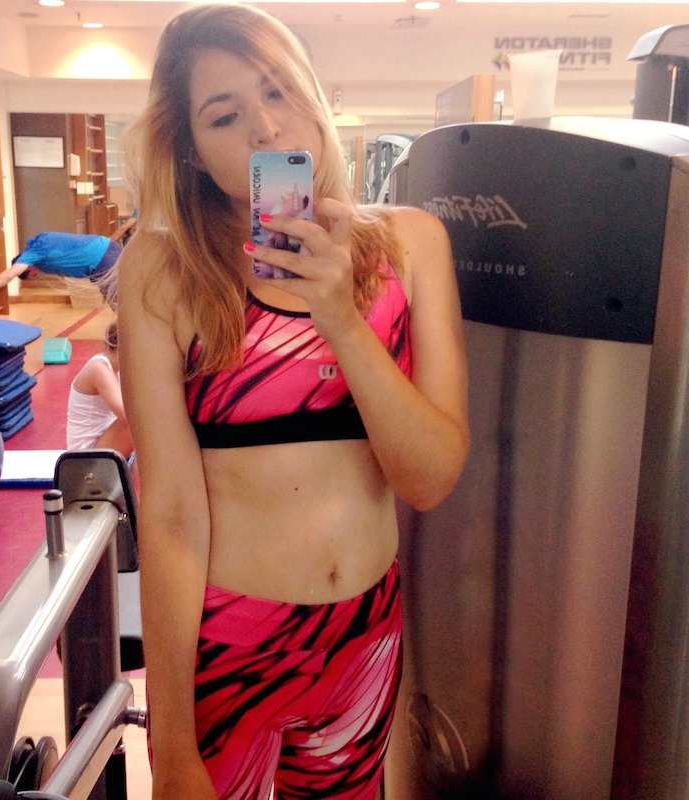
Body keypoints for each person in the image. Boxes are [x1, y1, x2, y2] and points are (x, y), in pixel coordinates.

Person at [115, 4, 469, 799]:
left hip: (363, 643)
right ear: (192, 151)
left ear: (313, 94)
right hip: (229, 651)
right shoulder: (164, 272)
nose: (266, 128)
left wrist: (341, 318)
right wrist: (171, 742)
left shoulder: (412, 245)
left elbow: (429, 479)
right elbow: (170, 513)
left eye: (277, 90)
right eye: (224, 115)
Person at [0, 231, 122, 305]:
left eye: (33, 274)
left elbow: (9, 275)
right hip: (107, 249)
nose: (38, 274)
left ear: (27, 267)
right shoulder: (42, 242)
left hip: (102, 259)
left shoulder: (35, 250)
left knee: (119, 304)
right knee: (121, 300)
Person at [66, 319, 133, 459]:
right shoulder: (99, 369)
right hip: (85, 453)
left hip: (101, 443)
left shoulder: (117, 371)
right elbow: (127, 415)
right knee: (135, 422)